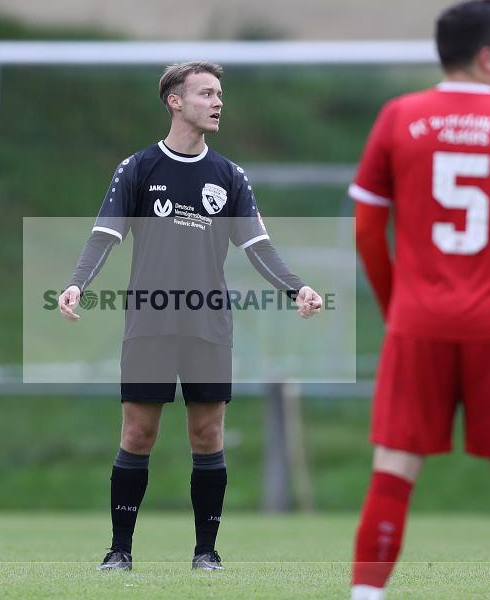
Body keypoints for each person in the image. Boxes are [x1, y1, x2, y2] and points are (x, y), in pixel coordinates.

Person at [58, 61, 323, 571]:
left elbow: (258, 246)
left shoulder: (229, 176)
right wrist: (77, 282)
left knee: (208, 435)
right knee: (138, 434)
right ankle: (119, 551)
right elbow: (105, 235)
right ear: (175, 102)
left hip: (208, 324)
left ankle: (206, 553)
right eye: (206, 93)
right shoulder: (137, 168)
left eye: (219, 94)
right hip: (150, 323)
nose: (218, 102)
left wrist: (297, 287)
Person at [349, 2, 490, 599]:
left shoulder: (399, 116)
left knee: (395, 464)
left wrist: (398, 306)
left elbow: (367, 228)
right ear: (487, 56)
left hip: (417, 319)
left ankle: (366, 594)